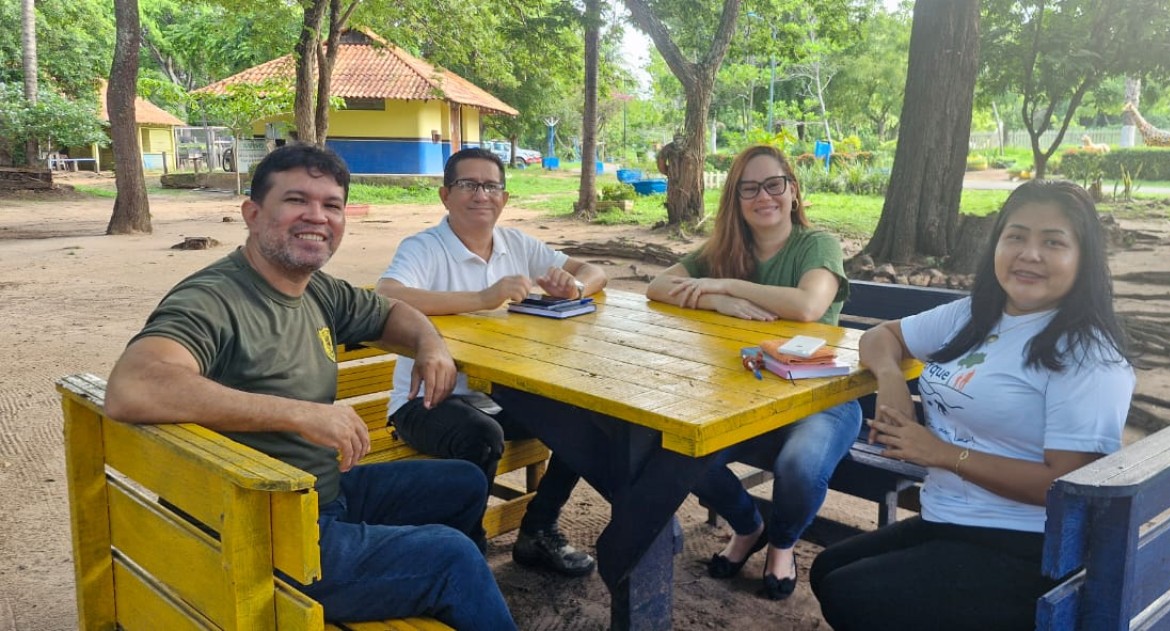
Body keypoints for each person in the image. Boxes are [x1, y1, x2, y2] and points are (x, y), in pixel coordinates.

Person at [102, 145, 515, 630]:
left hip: (322, 494)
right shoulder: (213, 298)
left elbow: (393, 312)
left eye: (331, 205)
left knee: (463, 480)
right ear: (253, 214)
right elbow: (134, 386)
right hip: (260, 533)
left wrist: (431, 346)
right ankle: (440, 587)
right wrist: (296, 412)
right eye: (296, 200)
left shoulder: (313, 288)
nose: (316, 217)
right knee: (453, 557)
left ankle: (427, 599)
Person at [810, 179, 1136, 630]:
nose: (1030, 254)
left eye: (1053, 242)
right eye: (1016, 236)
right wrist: (891, 380)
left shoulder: (1087, 356)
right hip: (949, 517)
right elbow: (880, 336)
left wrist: (943, 454)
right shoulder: (975, 314)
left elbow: (1066, 487)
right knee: (826, 571)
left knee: (853, 594)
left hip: (1027, 546)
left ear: (1084, 259)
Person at [378, 147, 608, 577]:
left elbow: (595, 273)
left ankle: (538, 531)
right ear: (446, 195)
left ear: (503, 197)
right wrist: (483, 299)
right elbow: (386, 295)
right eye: (468, 185)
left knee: (584, 420)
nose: (481, 195)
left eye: (491, 186)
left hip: (501, 397)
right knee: (482, 436)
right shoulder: (426, 248)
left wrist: (573, 286)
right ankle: (467, 554)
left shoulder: (515, 244)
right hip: (425, 403)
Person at [645, 145, 861, 600]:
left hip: (819, 399)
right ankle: (748, 526)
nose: (764, 196)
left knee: (799, 467)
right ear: (736, 200)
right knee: (678, 451)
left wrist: (725, 284)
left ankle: (781, 544)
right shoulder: (722, 250)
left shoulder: (817, 245)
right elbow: (657, 286)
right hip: (743, 393)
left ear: (793, 191)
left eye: (773, 184)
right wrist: (714, 300)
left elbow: (808, 306)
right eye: (749, 188)